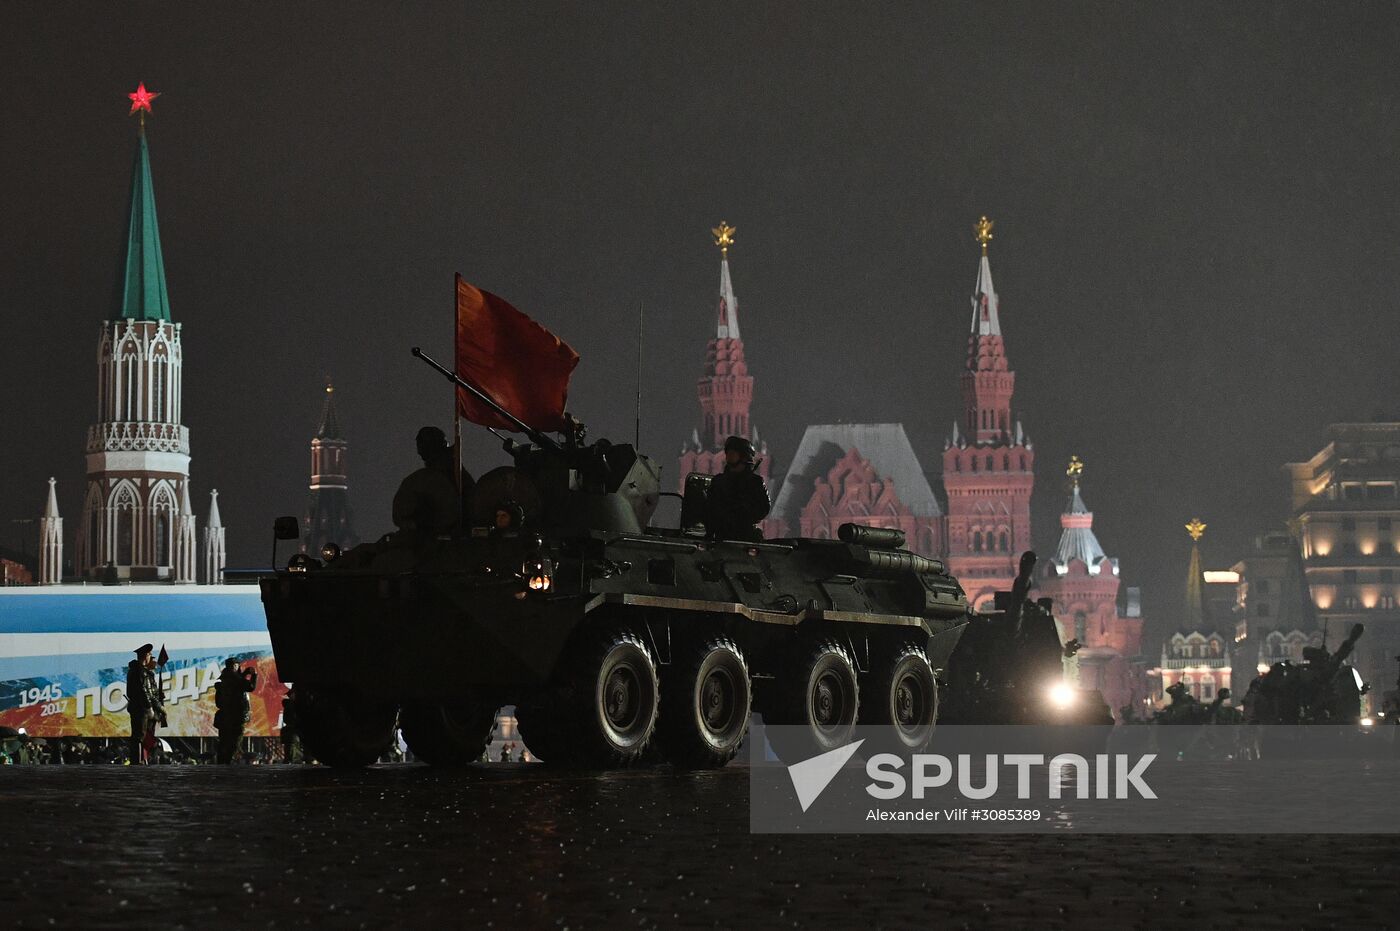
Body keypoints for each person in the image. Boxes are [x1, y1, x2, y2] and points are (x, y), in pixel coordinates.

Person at [392, 426, 476, 538]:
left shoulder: (451, 471)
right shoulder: (432, 474)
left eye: (422, 445)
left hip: (453, 533)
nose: (419, 451)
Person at [705, 435, 770, 542]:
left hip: (746, 536)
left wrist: (743, 510)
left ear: (744, 457)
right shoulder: (719, 482)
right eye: (728, 454)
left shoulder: (754, 482)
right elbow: (709, 509)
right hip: (721, 536)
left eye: (733, 454)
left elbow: (763, 509)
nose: (728, 458)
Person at [125, 644, 165, 765]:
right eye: (150, 655)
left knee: (143, 736)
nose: (151, 658)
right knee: (139, 736)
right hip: (141, 708)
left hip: (141, 707)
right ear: (146, 655)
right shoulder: (139, 671)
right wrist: (151, 707)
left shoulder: (138, 671)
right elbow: (144, 691)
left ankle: (141, 759)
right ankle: (137, 761)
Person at [214, 658, 258, 764]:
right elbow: (250, 687)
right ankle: (228, 761)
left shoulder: (224, 679)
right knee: (235, 741)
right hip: (236, 716)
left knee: (224, 741)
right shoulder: (235, 679)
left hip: (224, 716)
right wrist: (253, 675)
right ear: (235, 666)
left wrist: (243, 674)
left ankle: (221, 762)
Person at [280, 686, 300, 764]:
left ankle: (289, 759)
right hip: (292, 727)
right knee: (290, 744)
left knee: (290, 744)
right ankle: (289, 759)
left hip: (291, 727)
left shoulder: (289, 705)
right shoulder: (290, 705)